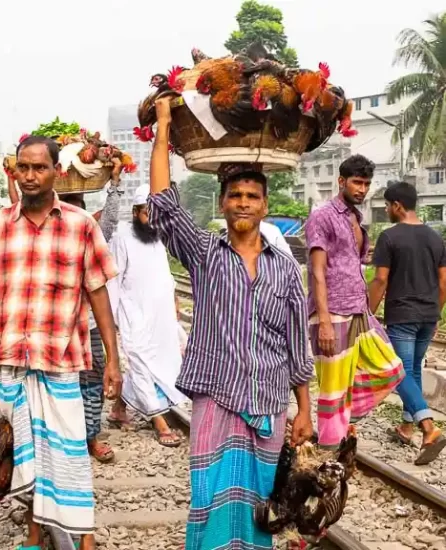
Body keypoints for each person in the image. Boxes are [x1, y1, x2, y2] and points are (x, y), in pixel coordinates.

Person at [148, 97, 314, 550]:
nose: (243, 203)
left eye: (252, 196)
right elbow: (163, 206)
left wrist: (305, 409)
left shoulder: (284, 268)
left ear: (264, 205)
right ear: (222, 204)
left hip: (267, 401)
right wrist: (163, 127)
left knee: (260, 503)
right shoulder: (204, 254)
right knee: (209, 496)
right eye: (235, 196)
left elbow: (297, 344)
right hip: (217, 396)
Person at [0, 135, 122, 550]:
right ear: (14, 171)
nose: (30, 176)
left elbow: (98, 293)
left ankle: (84, 539)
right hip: (10, 360)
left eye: (39, 168)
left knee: (68, 454)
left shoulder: (81, 226)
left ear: (56, 172)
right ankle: (35, 534)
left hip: (61, 359)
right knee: (25, 456)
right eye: (23, 168)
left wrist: (113, 361)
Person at [8, 164, 124, 464]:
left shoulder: (90, 229)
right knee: (51, 390)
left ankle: (92, 437)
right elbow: (15, 209)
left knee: (92, 382)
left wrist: (114, 182)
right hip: (51, 330)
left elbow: (110, 216)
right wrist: (11, 179)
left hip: (89, 326)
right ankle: (56, 449)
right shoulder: (36, 230)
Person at [305, 154, 404, 449]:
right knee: (333, 389)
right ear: (341, 181)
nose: (362, 189)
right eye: (357, 182)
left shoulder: (357, 219)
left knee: (390, 367)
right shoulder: (322, 216)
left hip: (358, 311)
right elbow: (317, 271)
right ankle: (328, 452)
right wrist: (322, 321)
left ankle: (345, 416)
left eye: (366, 184)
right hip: (331, 312)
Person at [369, 181, 446, 465]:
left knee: (398, 374)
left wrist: (367, 313)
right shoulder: (435, 238)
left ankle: (428, 427)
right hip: (428, 315)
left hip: (403, 315)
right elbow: (444, 282)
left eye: (388, 206)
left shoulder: (390, 238)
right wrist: (435, 312)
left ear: (397, 206)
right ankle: (406, 428)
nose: (387, 210)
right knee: (412, 371)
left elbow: (380, 280)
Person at [107, 182, 186, 447]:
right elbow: (114, 279)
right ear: (135, 212)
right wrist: (115, 317)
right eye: (146, 213)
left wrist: (174, 300)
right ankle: (159, 421)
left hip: (161, 314)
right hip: (134, 313)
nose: (151, 219)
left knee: (159, 362)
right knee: (140, 362)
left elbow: (165, 273)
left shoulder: (159, 236)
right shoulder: (122, 237)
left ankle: (119, 409)